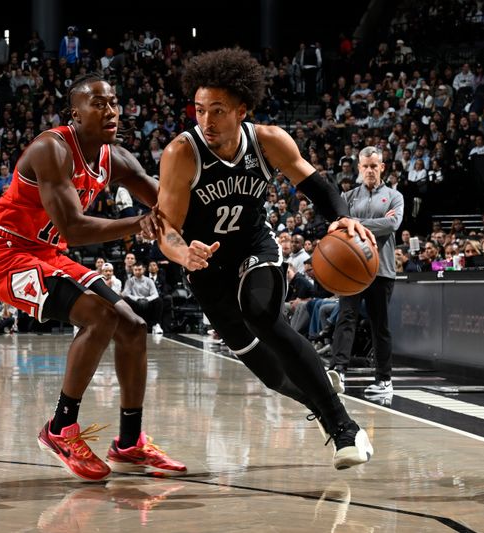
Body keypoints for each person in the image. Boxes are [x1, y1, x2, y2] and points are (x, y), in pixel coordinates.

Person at [155, 48, 375, 469]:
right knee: (272, 374)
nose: (206, 121)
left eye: (217, 111)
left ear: (242, 110)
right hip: (205, 267)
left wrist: (342, 219)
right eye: (199, 110)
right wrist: (183, 252)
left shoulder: (268, 140)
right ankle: (320, 387)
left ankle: (343, 427)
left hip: (255, 246)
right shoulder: (181, 153)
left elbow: (317, 185)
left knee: (259, 311)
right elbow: (166, 229)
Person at [0, 73, 186, 481]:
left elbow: (166, 199)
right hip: (3, 254)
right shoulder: (50, 149)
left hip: (45, 253)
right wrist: (138, 223)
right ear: (75, 114)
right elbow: (73, 228)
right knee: (98, 317)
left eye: (114, 102)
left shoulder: (115, 157)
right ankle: (60, 428)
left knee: (135, 327)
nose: (111, 110)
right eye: (99, 103)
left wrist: (216, 215)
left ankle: (129, 443)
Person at [326, 147, 404, 398]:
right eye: (365, 166)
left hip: (382, 269)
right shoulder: (347, 196)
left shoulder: (395, 196)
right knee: (345, 317)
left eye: (374, 166)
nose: (370, 170)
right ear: (359, 168)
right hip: (351, 270)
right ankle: (339, 371)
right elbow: (338, 228)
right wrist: (374, 224)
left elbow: (392, 224)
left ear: (382, 167)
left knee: (379, 325)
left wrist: (354, 223)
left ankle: (384, 380)